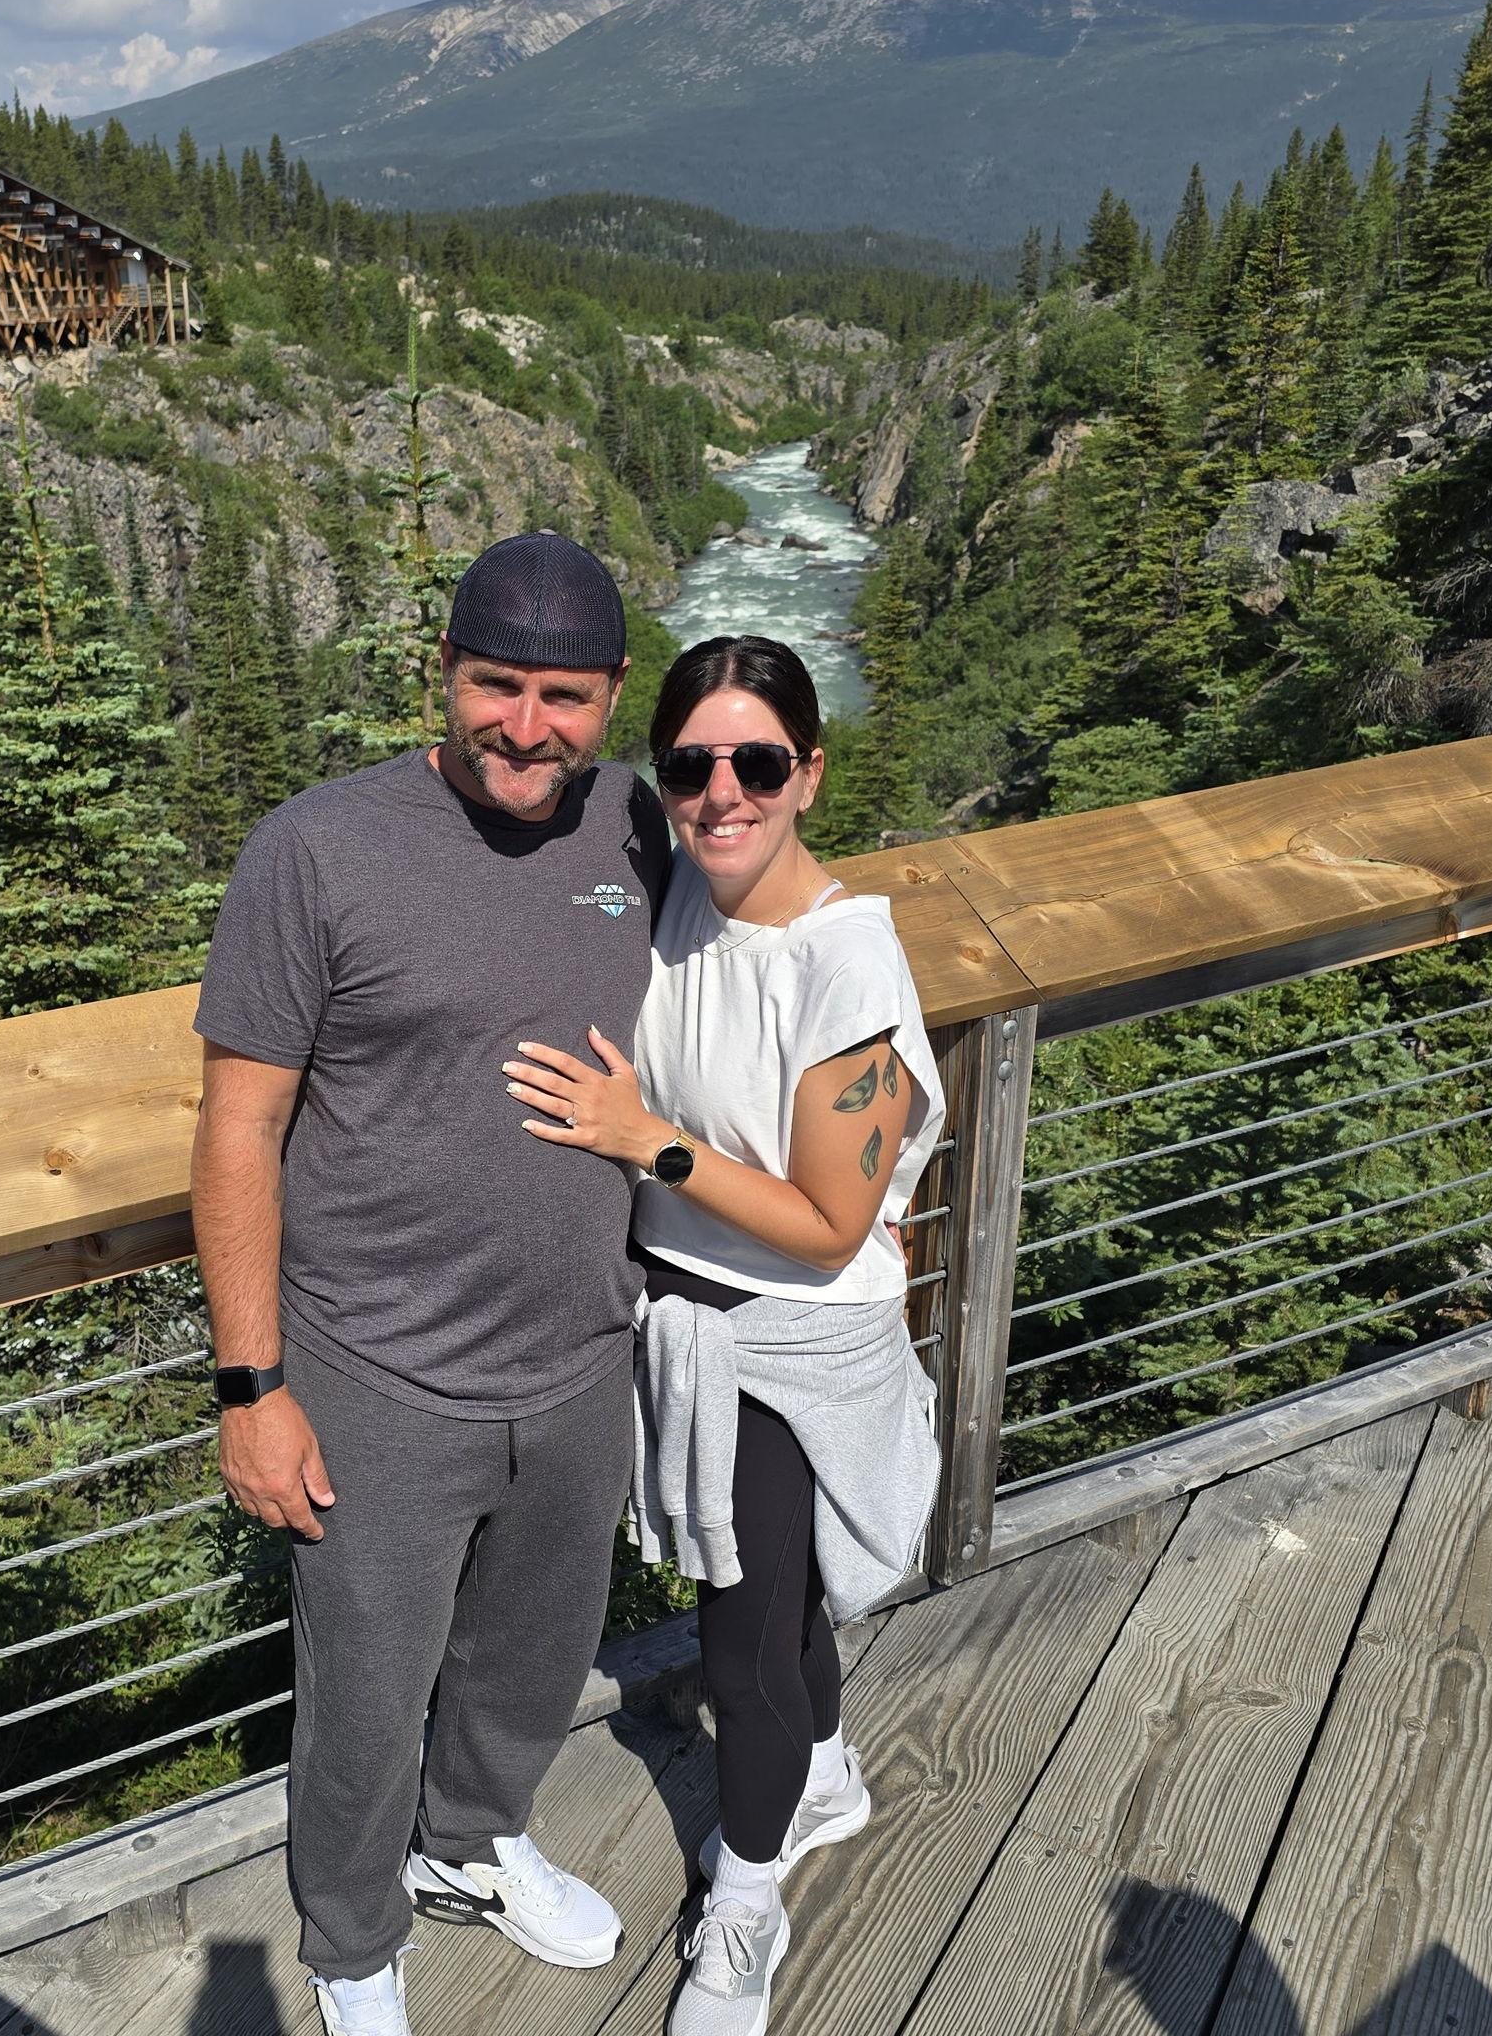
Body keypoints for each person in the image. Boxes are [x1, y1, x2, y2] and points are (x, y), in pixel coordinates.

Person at [188, 533, 672, 2036]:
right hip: (376, 1370)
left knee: (534, 1656)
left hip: (583, 1348)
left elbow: (773, 964)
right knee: (364, 1694)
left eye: (563, 698)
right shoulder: (317, 850)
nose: (525, 727)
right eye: (494, 686)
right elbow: (239, 1126)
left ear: (611, 696)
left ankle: (470, 1844)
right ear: (442, 673)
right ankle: (351, 1946)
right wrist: (252, 1387)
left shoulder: (641, 827)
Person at [501, 633, 946, 2036]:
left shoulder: (845, 967)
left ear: (809, 773)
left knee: (741, 1643)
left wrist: (647, 1142)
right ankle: (824, 1774)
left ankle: (747, 1908)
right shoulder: (680, 886)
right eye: (692, 767)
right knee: (780, 1604)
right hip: (692, 1315)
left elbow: (825, 1224)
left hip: (792, 1338)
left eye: (757, 763)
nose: (722, 794)